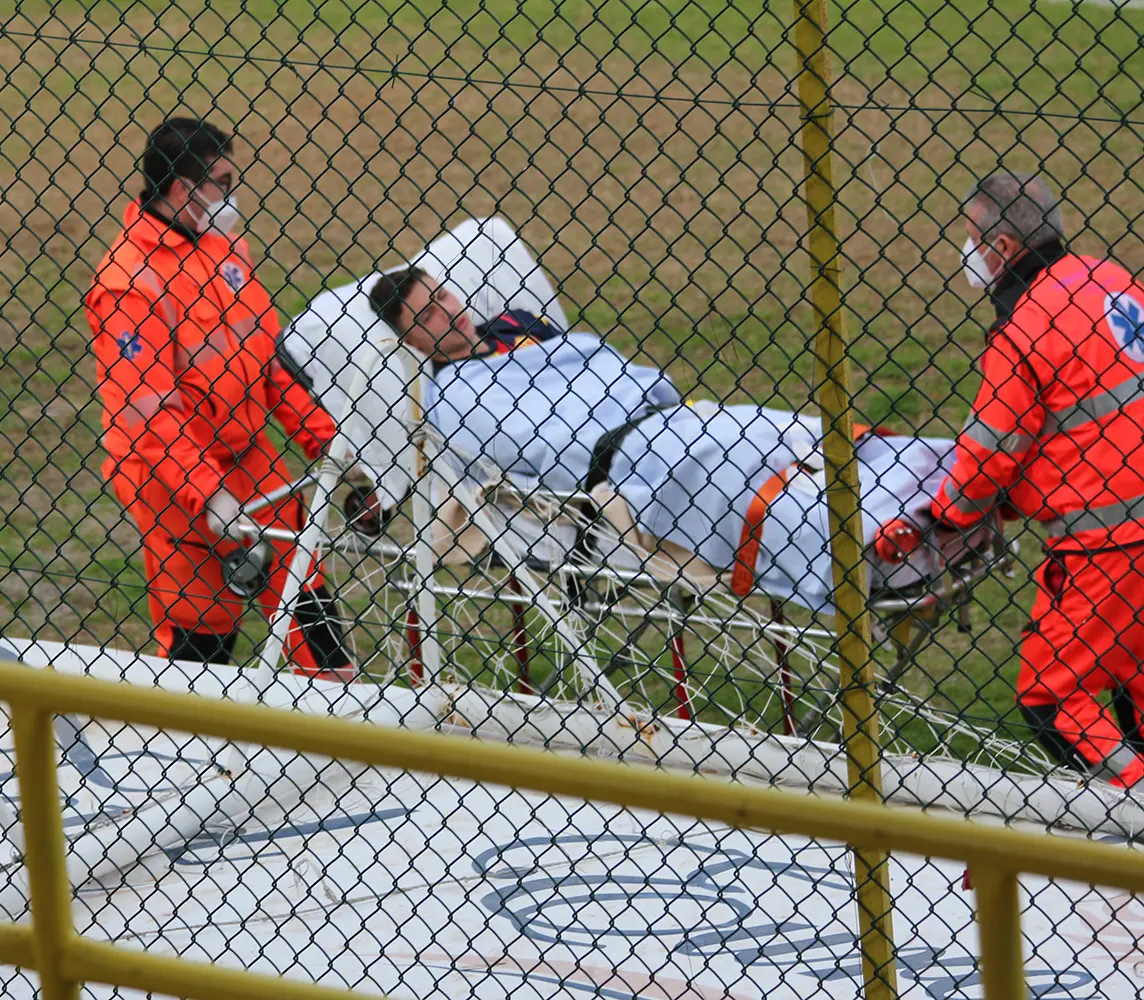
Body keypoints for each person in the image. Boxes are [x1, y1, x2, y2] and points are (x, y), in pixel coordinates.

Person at [366, 267, 968, 612]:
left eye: (442, 296)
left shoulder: (518, 326)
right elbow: (533, 446)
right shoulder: (452, 397)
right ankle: (877, 542)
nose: (447, 313)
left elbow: (597, 359)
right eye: (427, 317)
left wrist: (630, 393)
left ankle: (938, 475)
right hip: (628, 457)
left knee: (774, 429)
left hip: (668, 415)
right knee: (736, 476)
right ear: (412, 341)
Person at [875, 171, 1144, 787]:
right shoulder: (1108, 279)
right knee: (1137, 683)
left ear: (999, 248)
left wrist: (944, 515)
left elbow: (991, 454)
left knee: (1052, 698)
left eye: (969, 238)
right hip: (1126, 520)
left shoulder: (1024, 329)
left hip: (1109, 543)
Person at [85, 117, 354, 677]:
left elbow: (267, 361)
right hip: (169, 476)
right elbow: (150, 413)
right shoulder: (127, 283)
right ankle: (196, 759)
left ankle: (339, 723)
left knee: (308, 606)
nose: (232, 193)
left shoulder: (226, 248)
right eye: (224, 181)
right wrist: (208, 495)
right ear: (186, 189)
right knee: (202, 636)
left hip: (249, 457)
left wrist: (328, 442)